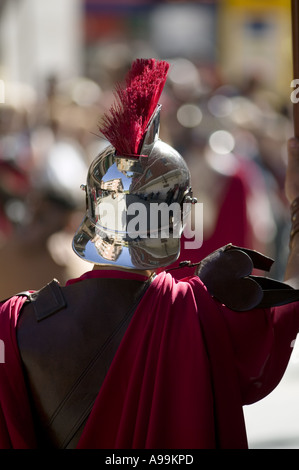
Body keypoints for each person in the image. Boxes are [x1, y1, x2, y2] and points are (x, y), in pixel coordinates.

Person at [1, 58, 299, 450]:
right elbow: (281, 317)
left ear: (92, 203)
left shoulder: (13, 322)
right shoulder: (202, 311)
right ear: (177, 217)